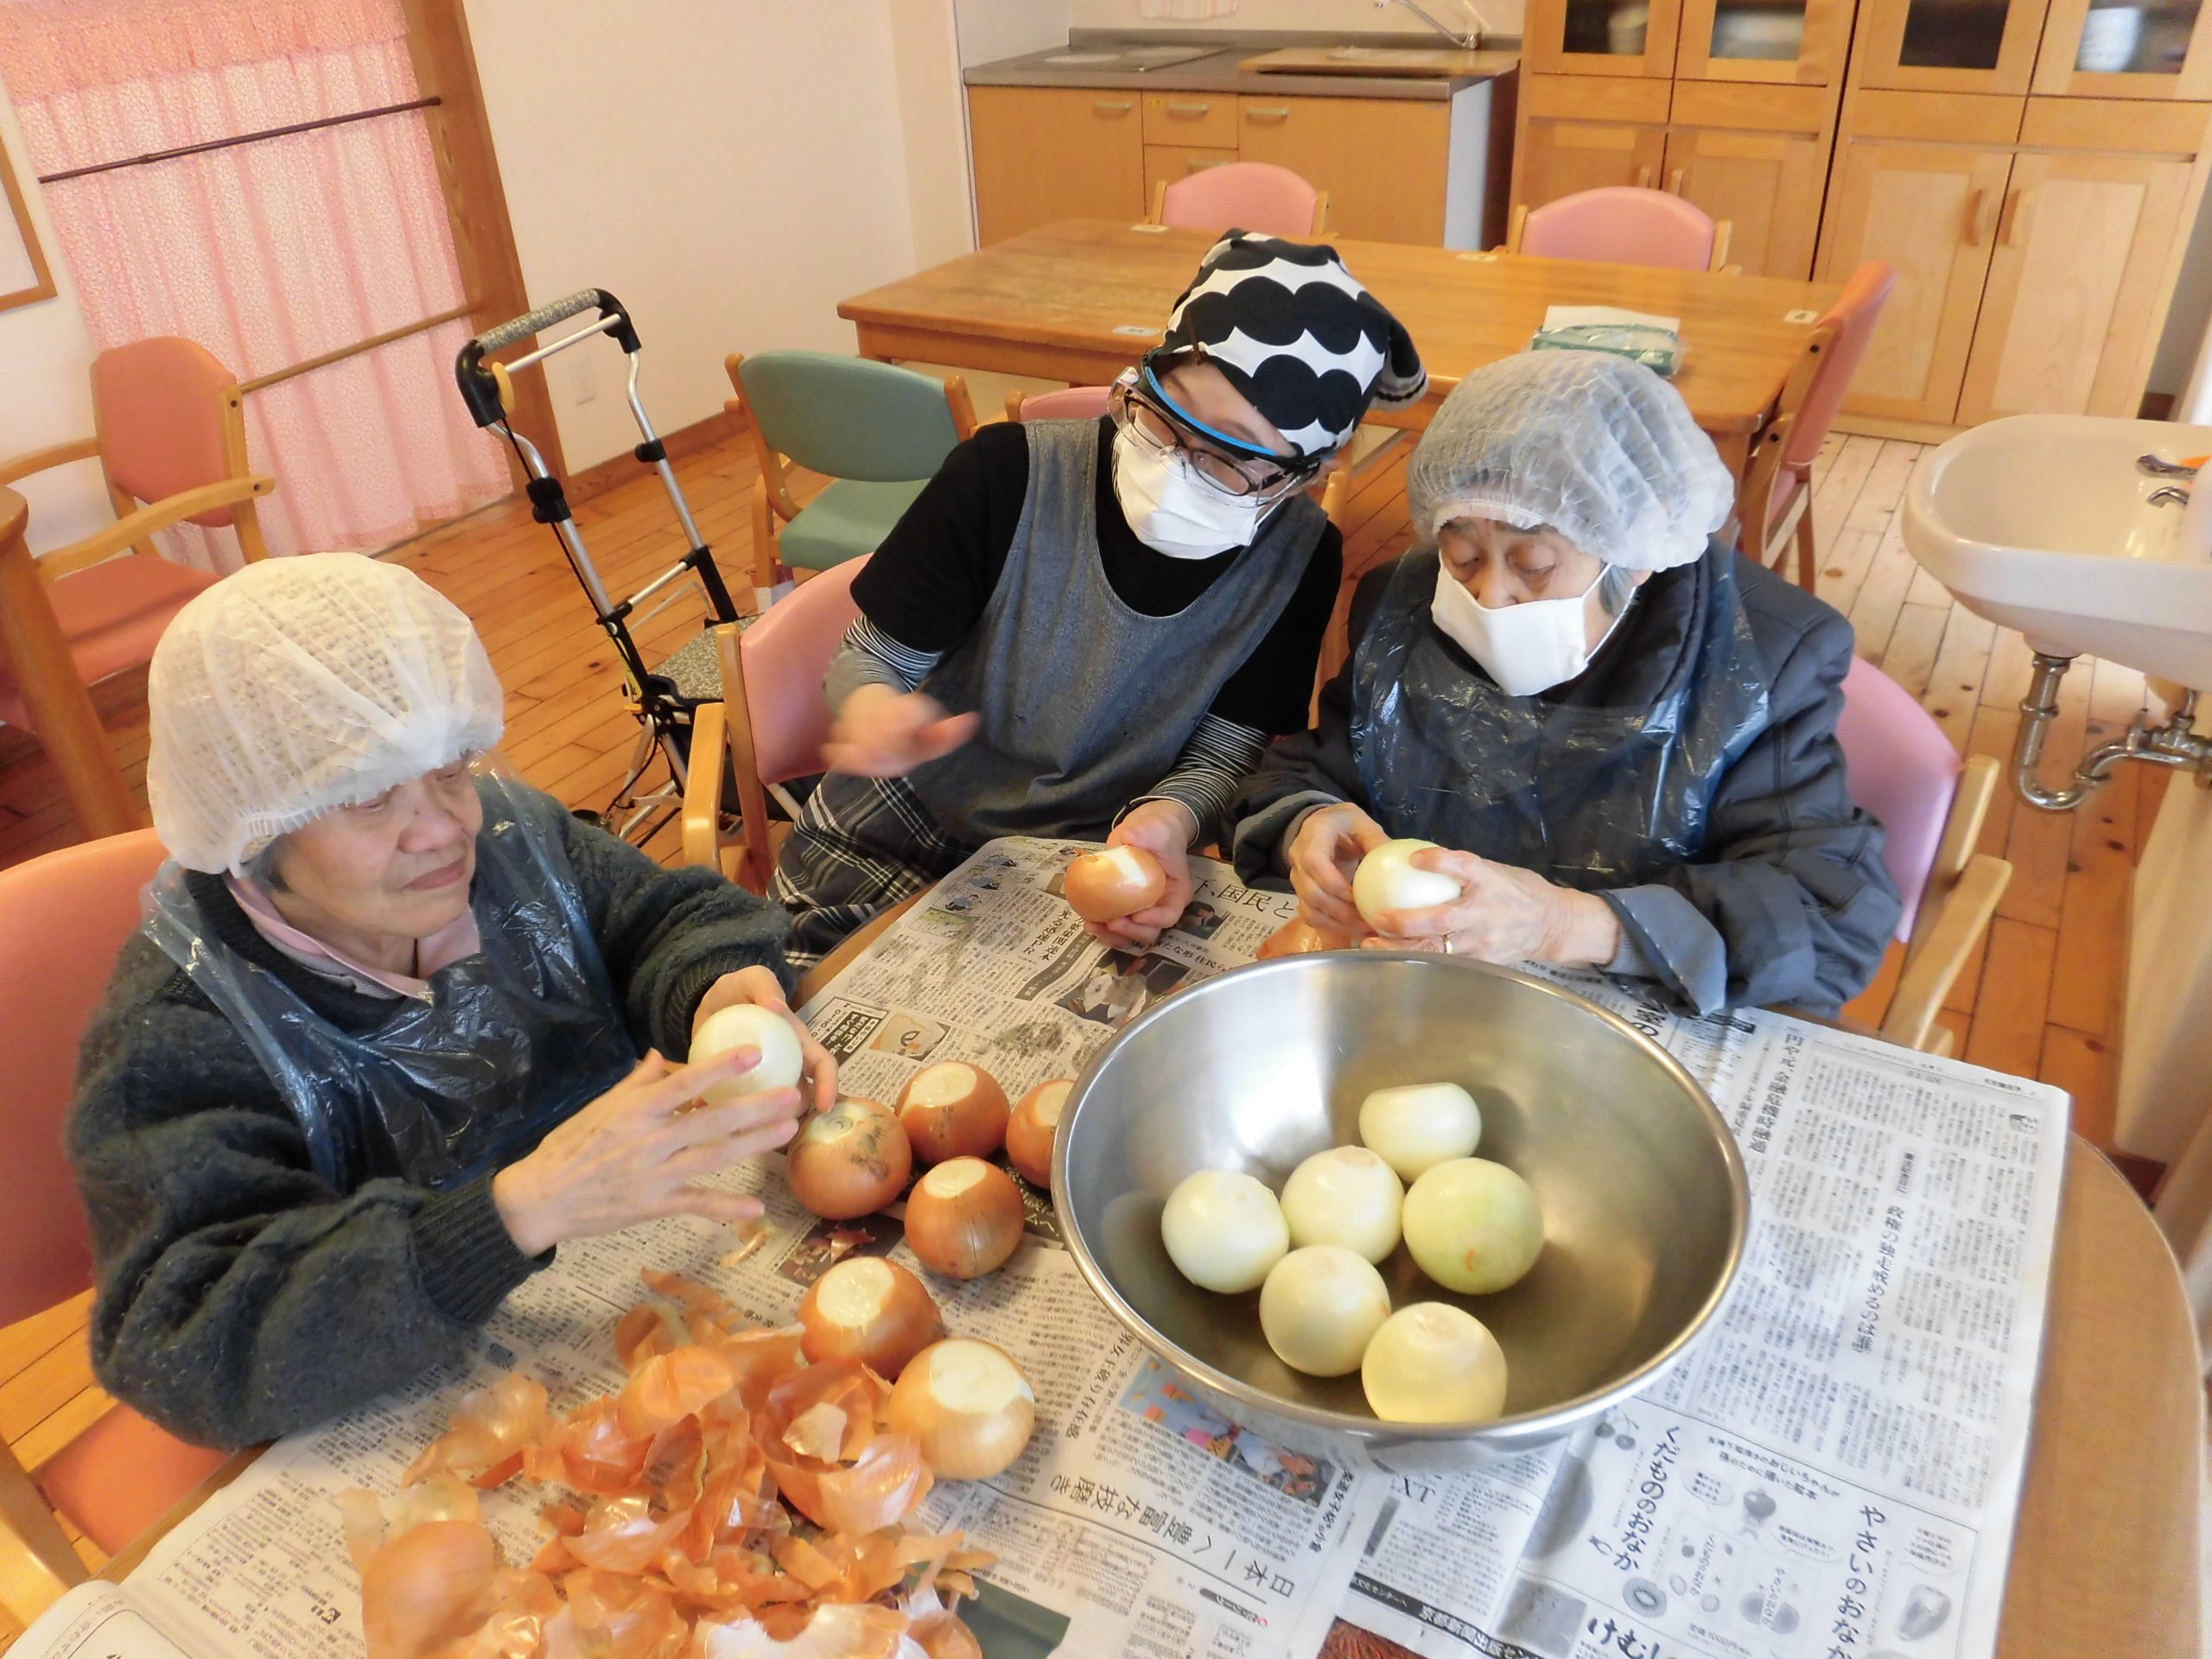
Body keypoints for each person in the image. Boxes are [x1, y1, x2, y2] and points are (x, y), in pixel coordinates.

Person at [69, 554, 834, 1448]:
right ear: (254, 830)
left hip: (628, 1283)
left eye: (450, 769)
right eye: (365, 798)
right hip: (401, 1395)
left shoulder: (512, 839)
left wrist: (711, 989)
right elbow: (186, 1339)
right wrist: (512, 1214)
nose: (441, 830)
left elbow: (666, 919)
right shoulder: (176, 1037)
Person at [772, 232, 1426, 964]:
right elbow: (874, 656)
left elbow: (1227, 749)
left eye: (1231, 457)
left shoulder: (1298, 561)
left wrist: (1169, 821)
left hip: (1091, 850)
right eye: (1163, 417)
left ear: (1302, 475)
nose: (1178, 464)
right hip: (899, 825)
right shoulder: (1007, 475)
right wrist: (872, 709)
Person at [1230, 351, 1900, 1014]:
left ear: (1633, 556)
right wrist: (1311, 824)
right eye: (1462, 557)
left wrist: (1566, 924)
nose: (1491, 595)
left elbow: (1828, 917)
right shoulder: (1405, 607)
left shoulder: (1762, 658)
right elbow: (1315, 767)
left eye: (1535, 564)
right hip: (1430, 998)